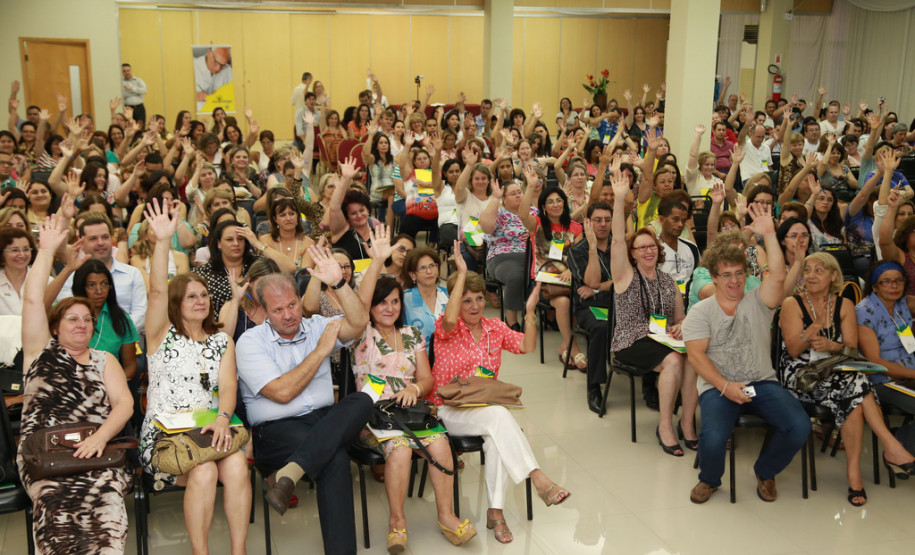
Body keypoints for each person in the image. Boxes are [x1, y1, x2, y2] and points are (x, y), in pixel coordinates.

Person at [235, 245, 372, 554]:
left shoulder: (315, 326)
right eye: (278, 310)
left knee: (363, 401)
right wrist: (321, 351)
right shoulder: (250, 342)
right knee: (335, 459)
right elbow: (282, 393)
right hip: (277, 429)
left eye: (293, 305)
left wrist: (338, 284)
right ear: (264, 312)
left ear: (299, 299)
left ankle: (289, 474)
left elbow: (358, 322)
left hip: (324, 419)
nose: (289, 315)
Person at [429, 243, 569, 544]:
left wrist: (530, 313)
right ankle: (538, 478)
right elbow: (451, 318)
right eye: (466, 301)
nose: (475, 306)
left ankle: (496, 512)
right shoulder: (446, 328)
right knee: (499, 416)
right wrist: (462, 274)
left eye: (479, 298)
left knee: (496, 435)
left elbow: (527, 346)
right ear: (456, 302)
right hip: (448, 409)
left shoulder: (494, 327)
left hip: (485, 409)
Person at [350, 230, 475, 550]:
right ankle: (397, 521)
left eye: (394, 301)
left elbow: (428, 379)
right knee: (402, 450)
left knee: (441, 444)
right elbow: (359, 305)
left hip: (409, 410)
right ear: (371, 307)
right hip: (374, 415)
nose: (389, 308)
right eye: (381, 303)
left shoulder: (410, 335)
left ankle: (446, 515)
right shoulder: (360, 333)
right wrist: (378, 260)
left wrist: (416, 388)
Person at [138, 199, 251, 554]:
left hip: (207, 427)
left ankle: (238, 550)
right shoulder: (161, 335)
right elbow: (156, 290)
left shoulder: (221, 341)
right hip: (165, 434)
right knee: (203, 472)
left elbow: (229, 387)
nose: (200, 300)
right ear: (176, 303)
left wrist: (221, 418)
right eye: (191, 297)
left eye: (204, 295)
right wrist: (162, 243)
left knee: (235, 467)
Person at [19, 213, 133, 553]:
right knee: (53, 508)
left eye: (87, 319)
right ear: (56, 327)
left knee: (108, 508)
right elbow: (31, 300)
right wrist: (46, 251)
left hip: (96, 452)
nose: (82, 324)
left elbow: (125, 404)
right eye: (72, 318)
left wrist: (100, 437)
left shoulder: (104, 360)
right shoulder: (41, 352)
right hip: (45, 456)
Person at [683, 203, 812, 504]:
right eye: (726, 275)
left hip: (761, 383)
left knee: (799, 425)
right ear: (713, 277)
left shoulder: (758, 299)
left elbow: (778, 278)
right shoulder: (701, 312)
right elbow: (697, 357)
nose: (734, 281)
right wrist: (726, 387)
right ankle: (710, 480)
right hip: (719, 386)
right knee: (713, 437)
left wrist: (769, 234)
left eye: (739, 274)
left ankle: (765, 471)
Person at [778, 253, 915, 506]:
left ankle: (857, 474)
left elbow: (851, 349)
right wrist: (812, 329)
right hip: (802, 373)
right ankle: (888, 449)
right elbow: (795, 350)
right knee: (858, 385)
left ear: (833, 276)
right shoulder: (792, 304)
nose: (811, 275)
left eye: (819, 270)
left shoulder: (844, 305)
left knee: (853, 389)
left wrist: (832, 344)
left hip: (836, 369)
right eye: (807, 270)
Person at [609, 174, 698, 456]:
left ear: (658, 251)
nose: (647, 251)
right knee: (673, 359)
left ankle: (687, 423)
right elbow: (616, 242)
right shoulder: (626, 276)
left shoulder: (668, 281)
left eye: (651, 247)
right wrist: (620, 200)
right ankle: (665, 427)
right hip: (631, 340)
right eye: (641, 247)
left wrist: (682, 328)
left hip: (663, 339)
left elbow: (680, 318)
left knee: (692, 357)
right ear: (633, 253)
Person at [56, 212, 148, 333]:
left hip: (126, 341)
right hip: (83, 342)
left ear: (112, 239)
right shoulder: (69, 277)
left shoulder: (132, 274)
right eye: (93, 238)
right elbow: (67, 314)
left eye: (105, 237)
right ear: (81, 242)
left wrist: (113, 335)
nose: (100, 243)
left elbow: (140, 314)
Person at [568, 202, 614, 412]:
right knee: (601, 326)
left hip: (617, 303)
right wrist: (593, 247)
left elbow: (627, 280)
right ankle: (594, 387)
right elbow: (591, 281)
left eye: (607, 219)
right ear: (588, 223)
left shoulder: (620, 246)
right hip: (590, 307)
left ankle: (649, 387)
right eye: (597, 220)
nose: (603, 224)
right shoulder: (578, 250)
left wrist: (598, 288)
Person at [857, 260, 915, 419]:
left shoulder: (902, 304)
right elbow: (875, 362)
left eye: (898, 280)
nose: (894, 286)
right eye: (886, 281)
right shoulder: (865, 312)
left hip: (909, 372)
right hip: (883, 380)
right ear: (874, 286)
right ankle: (902, 440)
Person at [478, 175, 531, 330]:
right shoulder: (498, 212)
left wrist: (535, 233)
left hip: (531, 255)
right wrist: (495, 199)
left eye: (520, 192)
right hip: (503, 257)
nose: (518, 195)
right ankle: (511, 318)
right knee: (516, 276)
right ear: (504, 199)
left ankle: (547, 315)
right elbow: (487, 227)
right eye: (513, 193)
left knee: (545, 274)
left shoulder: (533, 211)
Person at [402, 247, 448, 343]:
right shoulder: (404, 300)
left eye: (432, 266)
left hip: (449, 354)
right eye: (422, 268)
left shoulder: (449, 295)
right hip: (418, 355)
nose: (429, 271)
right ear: (412, 275)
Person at [0, 227, 38, 316]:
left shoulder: (45, 281)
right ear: (2, 253)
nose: (22, 255)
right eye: (14, 250)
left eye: (26, 249)